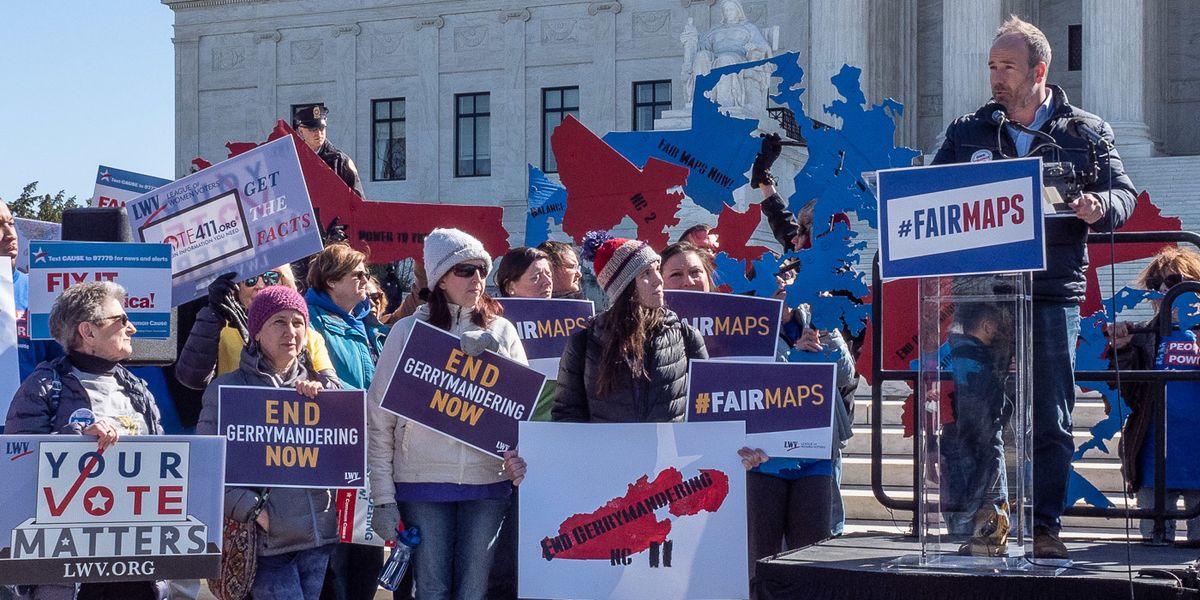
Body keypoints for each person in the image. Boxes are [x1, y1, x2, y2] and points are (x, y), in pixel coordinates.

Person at [930, 16, 1137, 558]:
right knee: (976, 415)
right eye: (992, 66)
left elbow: (1124, 194)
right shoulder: (967, 131)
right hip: (981, 294)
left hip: (1050, 292)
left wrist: (1101, 207)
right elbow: (932, 194)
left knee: (1051, 417)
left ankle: (1045, 525)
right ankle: (988, 524)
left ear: (1038, 70)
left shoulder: (1085, 132)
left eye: (1008, 67)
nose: (996, 77)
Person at [367, 228, 527, 600]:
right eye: (465, 270)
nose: (477, 279)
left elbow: (524, 410)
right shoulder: (406, 332)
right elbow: (380, 422)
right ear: (440, 280)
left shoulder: (502, 330)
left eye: (481, 269)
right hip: (422, 483)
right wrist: (383, 499)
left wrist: (496, 353)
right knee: (432, 590)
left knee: (474, 592)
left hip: (488, 482)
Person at [6, 282, 162, 600]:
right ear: (88, 332)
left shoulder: (140, 390)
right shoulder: (42, 388)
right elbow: (16, 471)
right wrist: (75, 444)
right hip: (69, 571)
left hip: (134, 566)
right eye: (120, 319)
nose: (131, 327)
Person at [197, 286, 339, 600]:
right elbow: (205, 471)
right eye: (279, 322)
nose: (291, 331)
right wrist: (254, 510)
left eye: (298, 322)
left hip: (317, 541)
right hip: (267, 547)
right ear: (257, 332)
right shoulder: (226, 391)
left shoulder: (321, 391)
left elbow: (347, 454)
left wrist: (327, 400)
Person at [300, 244, 390, 600]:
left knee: (367, 557)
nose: (367, 281)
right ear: (332, 280)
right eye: (358, 275)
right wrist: (371, 403)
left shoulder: (369, 322)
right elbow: (316, 378)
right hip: (332, 455)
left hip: (371, 451)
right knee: (335, 567)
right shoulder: (307, 320)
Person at [1110, 247, 1200, 547]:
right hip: (1152, 453)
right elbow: (1129, 396)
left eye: (1174, 282)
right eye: (1155, 285)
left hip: (1196, 453)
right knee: (1153, 543)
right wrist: (1121, 350)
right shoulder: (1145, 335)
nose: (1163, 290)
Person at [176, 267, 336, 390]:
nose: (260, 285)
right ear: (238, 288)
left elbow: (335, 390)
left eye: (270, 277)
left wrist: (318, 387)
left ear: (284, 282)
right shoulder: (221, 330)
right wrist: (213, 313)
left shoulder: (309, 337)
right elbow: (191, 379)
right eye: (250, 279)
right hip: (239, 425)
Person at [939, 302, 1013, 556]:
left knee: (963, 500)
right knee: (982, 499)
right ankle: (986, 538)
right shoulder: (975, 357)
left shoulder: (954, 352)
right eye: (1000, 326)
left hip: (958, 438)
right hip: (979, 440)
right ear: (986, 326)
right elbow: (982, 406)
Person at [0, 200, 64, 383]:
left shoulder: (41, 291)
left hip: (28, 410)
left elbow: (62, 367)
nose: (11, 235)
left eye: (11, 224)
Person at [294, 105, 365, 198]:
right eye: (313, 129)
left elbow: (358, 201)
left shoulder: (340, 161)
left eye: (321, 128)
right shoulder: (294, 159)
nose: (318, 134)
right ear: (301, 131)